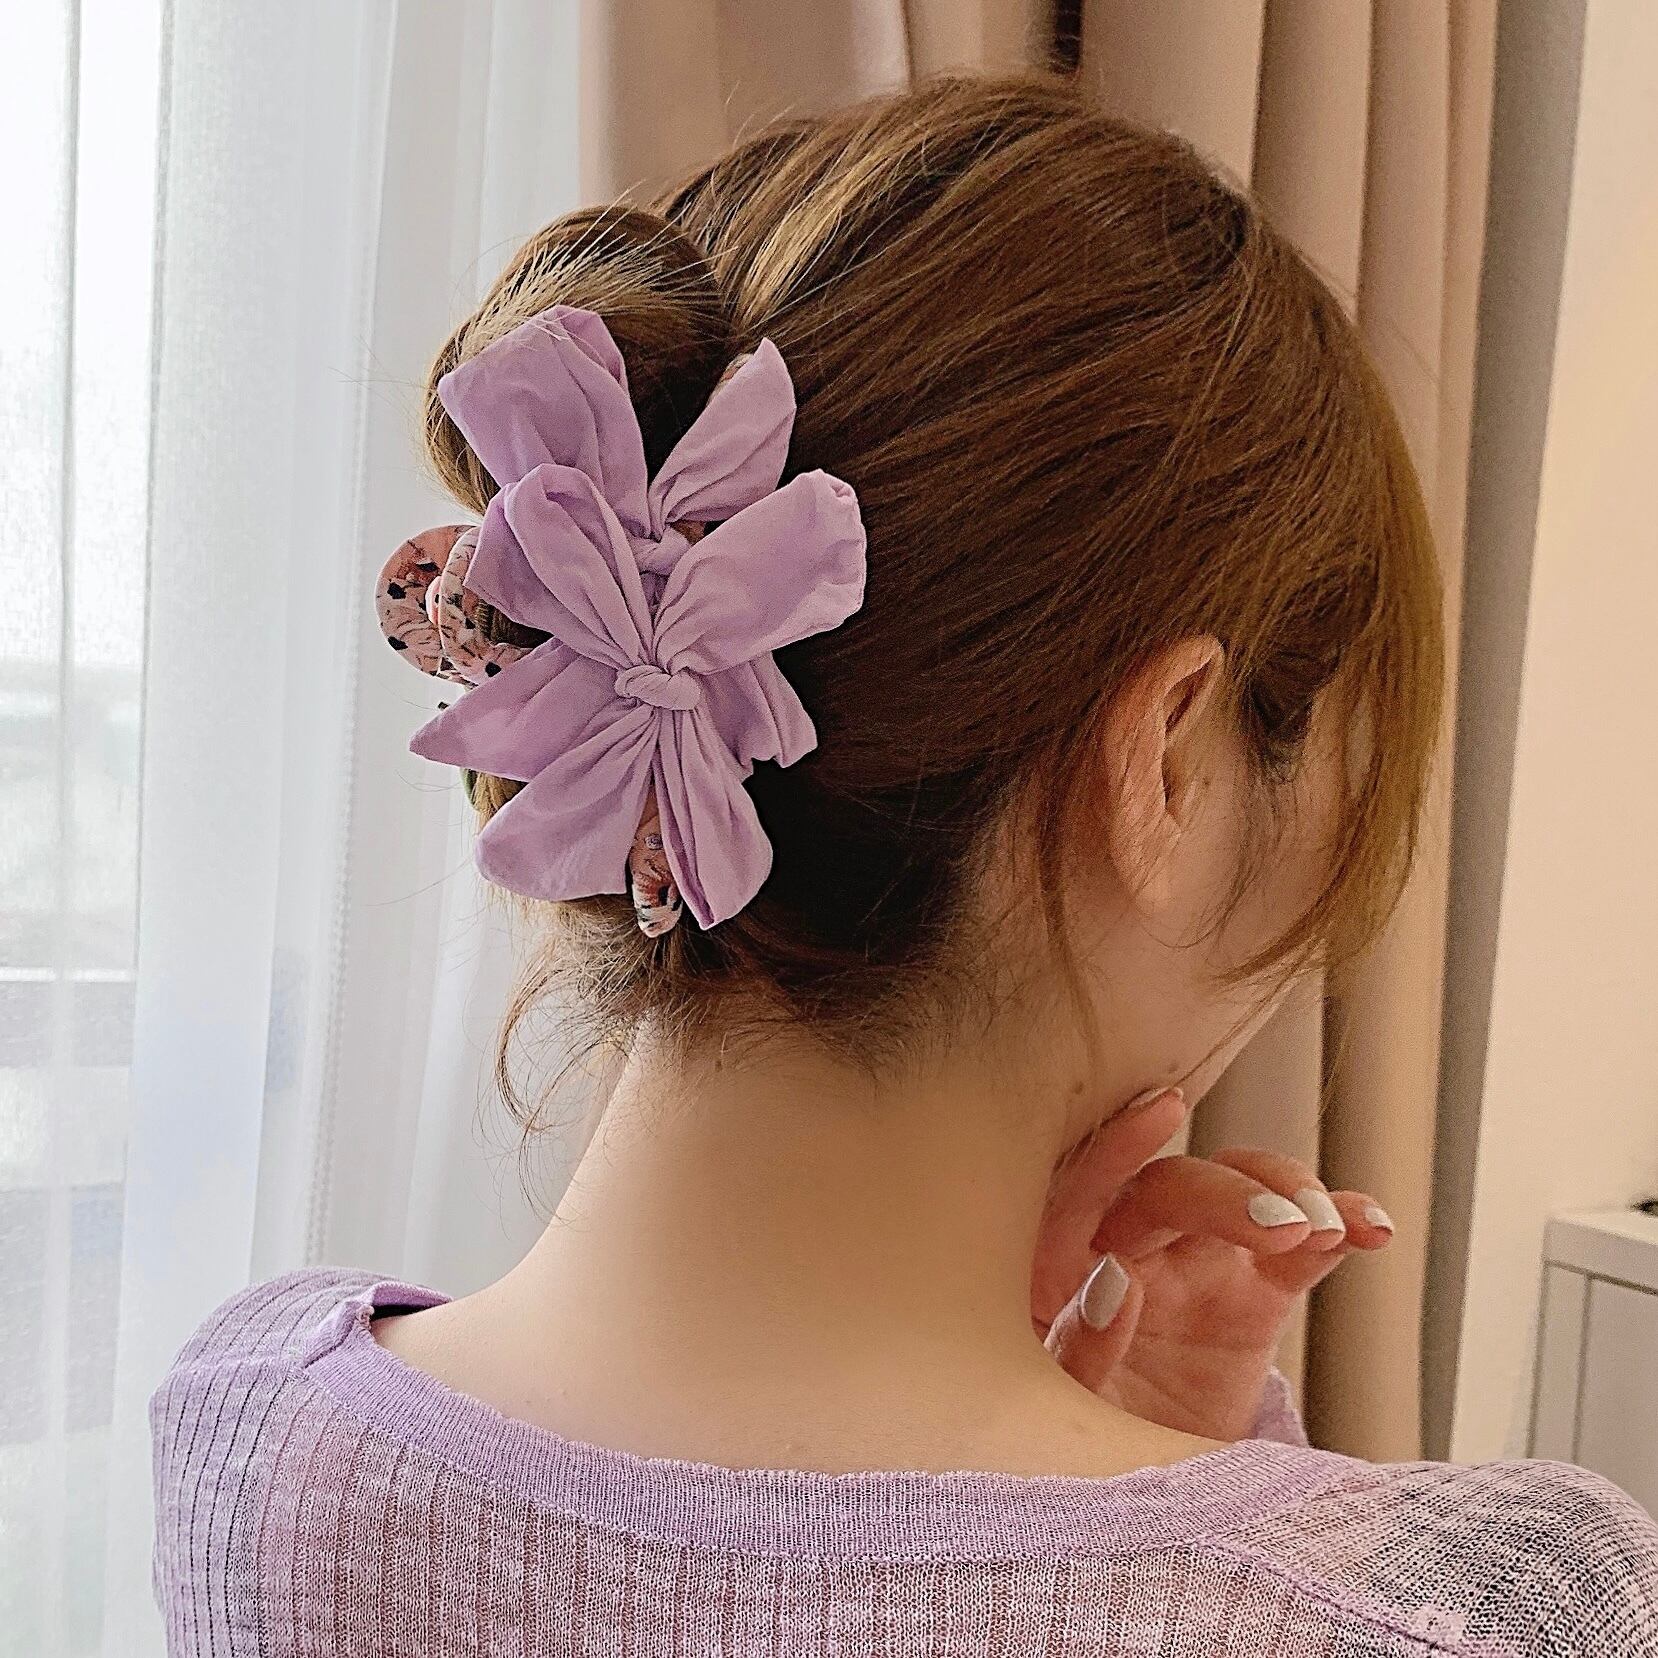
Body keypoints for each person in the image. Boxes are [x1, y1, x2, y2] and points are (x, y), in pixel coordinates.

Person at [150, 71, 1658, 1656]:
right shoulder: (1494, 1608)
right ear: (1166, 759)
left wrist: (1158, 1476)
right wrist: (1188, 1531)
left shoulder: (260, 1440)